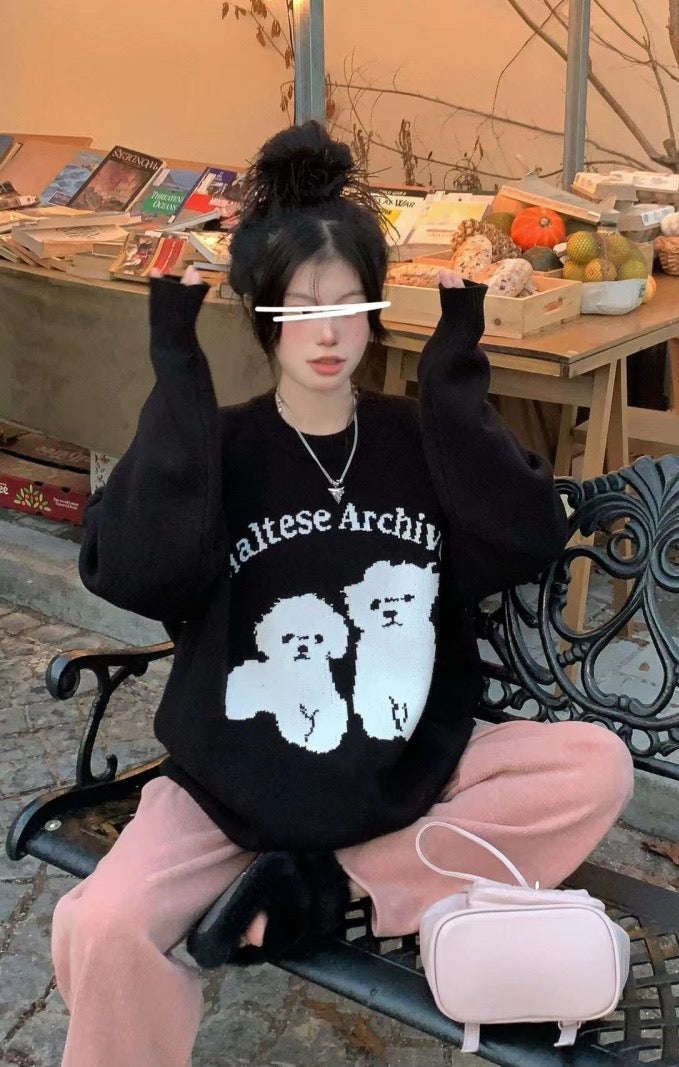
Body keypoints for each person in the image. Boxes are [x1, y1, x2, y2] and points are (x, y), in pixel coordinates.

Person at [51, 120, 634, 1067]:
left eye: (349, 304)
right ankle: (299, 876)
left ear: (376, 310)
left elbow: (526, 537)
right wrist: (176, 372)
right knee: (101, 924)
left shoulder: (415, 438)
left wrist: (454, 377)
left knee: (593, 766)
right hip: (232, 785)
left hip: (401, 771)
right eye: (300, 308)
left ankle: (323, 883)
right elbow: (136, 570)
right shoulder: (225, 447)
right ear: (263, 316)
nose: (327, 333)